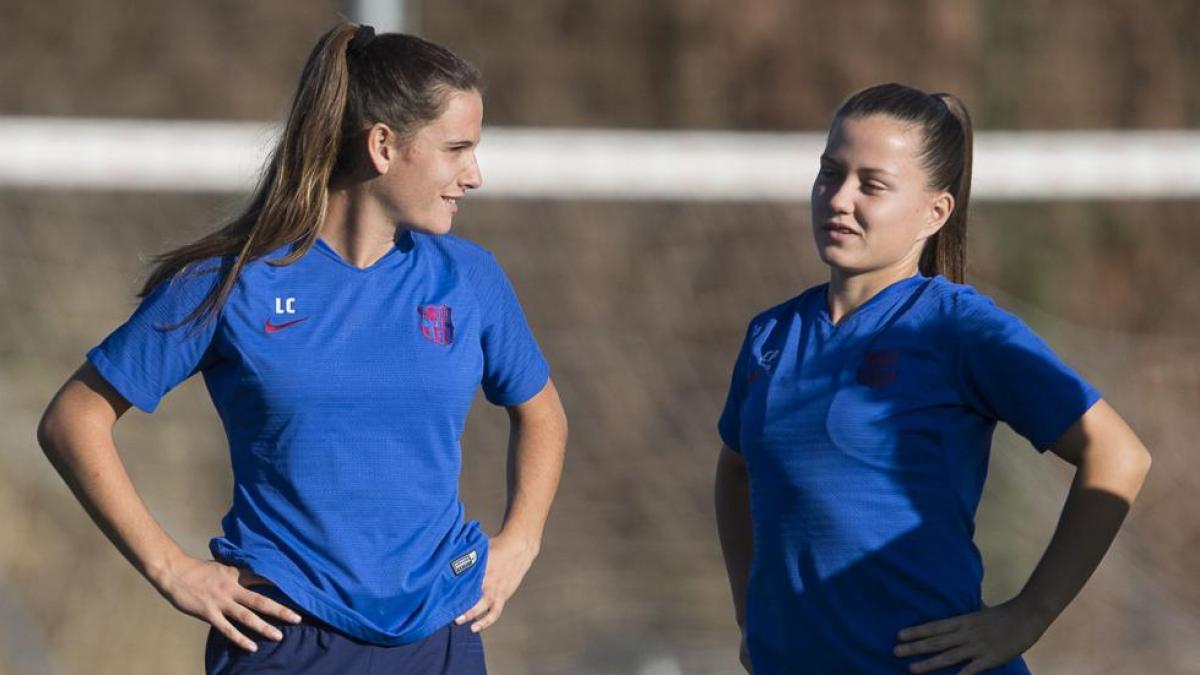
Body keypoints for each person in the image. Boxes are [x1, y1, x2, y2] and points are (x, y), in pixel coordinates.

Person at [37, 22, 567, 675]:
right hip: (284, 640)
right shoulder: (230, 282)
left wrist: (520, 542)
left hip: (440, 637)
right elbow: (73, 419)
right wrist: (170, 568)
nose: (475, 174)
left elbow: (542, 412)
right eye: (457, 148)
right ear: (382, 146)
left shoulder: (470, 278)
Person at [713, 83, 1151, 674]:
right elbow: (736, 469)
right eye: (829, 174)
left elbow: (1118, 456)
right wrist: (751, 614)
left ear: (935, 211)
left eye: (872, 184)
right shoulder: (770, 335)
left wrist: (1028, 615)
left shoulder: (957, 328)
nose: (839, 199)